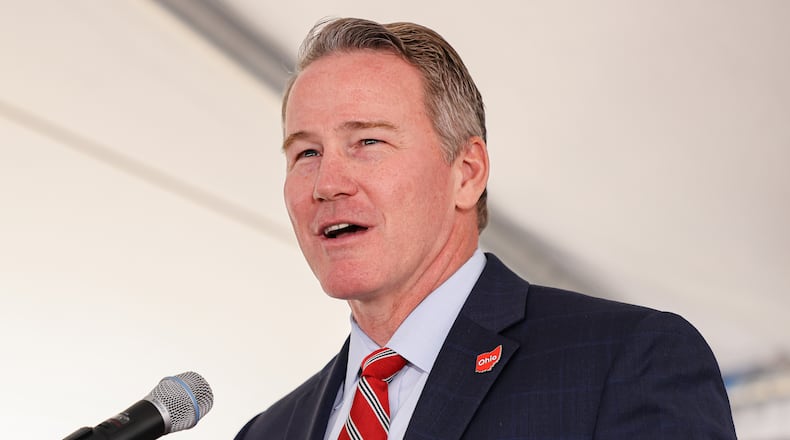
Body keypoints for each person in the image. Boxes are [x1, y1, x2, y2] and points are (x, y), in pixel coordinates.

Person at [236, 17, 736, 439]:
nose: (327, 183)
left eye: (367, 142)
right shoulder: (267, 432)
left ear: (467, 172)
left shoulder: (626, 361)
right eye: (305, 153)